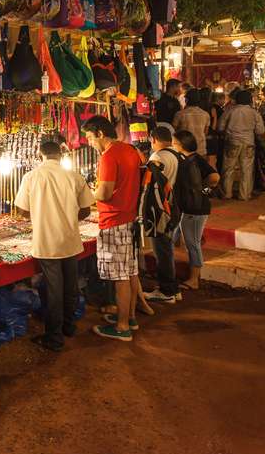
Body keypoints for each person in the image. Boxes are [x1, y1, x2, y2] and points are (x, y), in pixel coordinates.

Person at [14, 139, 95, 352]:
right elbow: (87, 209)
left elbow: (22, 210)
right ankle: (69, 326)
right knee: (70, 285)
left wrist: (41, 215)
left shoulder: (31, 177)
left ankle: (54, 337)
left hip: (47, 242)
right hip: (70, 239)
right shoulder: (73, 176)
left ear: (40, 154)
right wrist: (68, 218)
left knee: (54, 290)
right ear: (61, 155)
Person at [82, 115, 143, 342]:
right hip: (129, 217)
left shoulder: (108, 157)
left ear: (99, 133)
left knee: (119, 277)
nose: (89, 142)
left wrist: (87, 191)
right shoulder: (129, 150)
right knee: (130, 271)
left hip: (114, 221)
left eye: (89, 137)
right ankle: (131, 317)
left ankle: (122, 326)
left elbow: (105, 193)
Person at [171, 130, 219, 290]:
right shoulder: (186, 159)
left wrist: (201, 190)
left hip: (196, 209)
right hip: (187, 208)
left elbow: (215, 177)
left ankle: (194, 280)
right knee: (173, 238)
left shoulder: (196, 160)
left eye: (173, 142)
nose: (172, 145)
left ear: (180, 145)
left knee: (193, 243)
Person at [142, 125, 181, 304]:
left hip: (160, 209)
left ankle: (166, 291)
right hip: (173, 207)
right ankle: (172, 288)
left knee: (162, 250)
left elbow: (150, 186)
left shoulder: (157, 157)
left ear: (154, 139)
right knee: (167, 248)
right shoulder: (176, 155)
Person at [217, 89, 264, 201]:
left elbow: (220, 127)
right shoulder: (254, 113)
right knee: (247, 169)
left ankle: (227, 193)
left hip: (232, 142)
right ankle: (244, 195)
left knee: (228, 168)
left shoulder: (229, 111)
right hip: (249, 143)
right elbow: (260, 131)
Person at [173, 88, 211, 158]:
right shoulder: (205, 114)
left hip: (184, 150)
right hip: (201, 149)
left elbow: (174, 131)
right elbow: (205, 133)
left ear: (186, 100)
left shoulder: (180, 114)